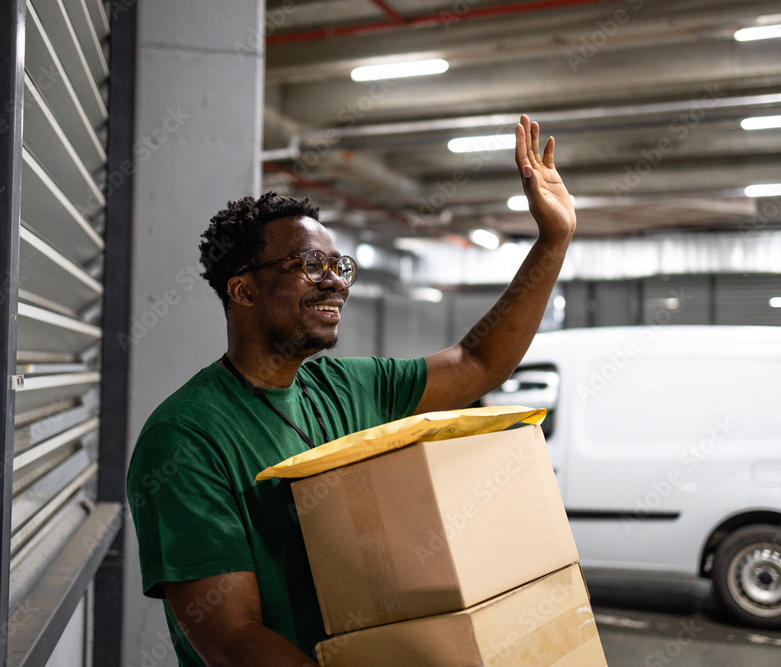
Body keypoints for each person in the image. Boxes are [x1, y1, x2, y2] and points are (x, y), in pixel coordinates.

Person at [126, 115, 577, 666]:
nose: (335, 279)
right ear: (242, 289)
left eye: (339, 265)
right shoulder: (185, 438)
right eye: (309, 264)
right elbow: (232, 638)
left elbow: (478, 361)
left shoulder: (345, 386)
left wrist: (553, 242)